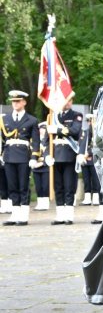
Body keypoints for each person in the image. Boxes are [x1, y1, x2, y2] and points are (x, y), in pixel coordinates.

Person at [1, 90, 40, 226]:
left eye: (18, 101)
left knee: (23, 186)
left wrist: (34, 157)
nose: (15, 104)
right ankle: (14, 214)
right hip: (9, 155)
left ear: (24, 102)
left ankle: (23, 215)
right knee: (11, 186)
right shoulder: (5, 119)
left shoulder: (31, 120)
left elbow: (36, 141)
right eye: (13, 101)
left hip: (23, 155)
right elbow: (2, 139)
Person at [48, 93, 81, 226]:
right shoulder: (53, 116)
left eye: (68, 101)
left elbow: (74, 130)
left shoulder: (76, 115)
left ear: (71, 102)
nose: (65, 103)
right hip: (55, 155)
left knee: (69, 186)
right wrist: (46, 154)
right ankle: (60, 215)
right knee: (58, 186)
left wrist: (56, 129)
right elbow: (47, 139)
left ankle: (69, 215)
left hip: (69, 154)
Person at [78, 114, 102, 206]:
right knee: (86, 179)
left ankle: (96, 198)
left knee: (95, 180)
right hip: (85, 160)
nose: (89, 123)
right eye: (88, 121)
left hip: (93, 159)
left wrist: (88, 153)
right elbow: (82, 144)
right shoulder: (86, 132)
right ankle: (87, 198)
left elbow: (95, 145)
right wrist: (81, 155)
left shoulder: (97, 132)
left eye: (90, 121)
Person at [32, 123, 51, 211]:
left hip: (45, 167)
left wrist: (43, 163)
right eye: (40, 129)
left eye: (44, 129)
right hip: (36, 166)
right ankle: (40, 204)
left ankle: (45, 204)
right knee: (38, 187)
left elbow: (50, 154)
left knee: (45, 186)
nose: (41, 130)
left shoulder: (48, 141)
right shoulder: (35, 141)